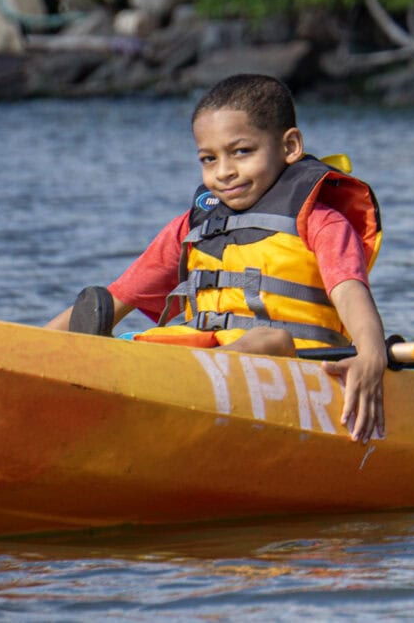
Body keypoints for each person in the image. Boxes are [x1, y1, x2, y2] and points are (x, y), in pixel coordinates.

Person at [46, 74, 389, 442]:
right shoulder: (192, 228)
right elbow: (114, 300)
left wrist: (371, 356)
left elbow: (351, 294)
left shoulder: (321, 221)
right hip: (201, 357)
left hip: (296, 362)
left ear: (289, 146)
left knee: (264, 340)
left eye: (241, 152)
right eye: (209, 159)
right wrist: (32, 350)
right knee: (131, 339)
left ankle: (180, 390)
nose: (224, 172)